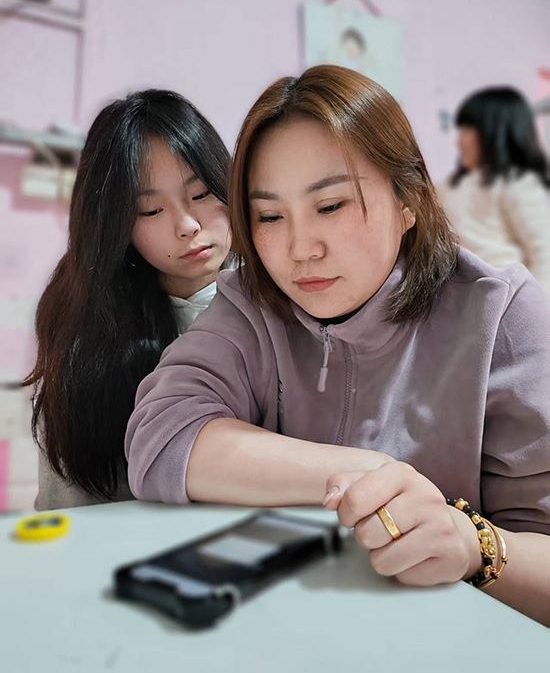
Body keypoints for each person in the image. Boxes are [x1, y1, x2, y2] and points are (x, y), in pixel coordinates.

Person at [126, 67, 550, 626]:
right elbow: (161, 438)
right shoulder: (252, 305)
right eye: (270, 216)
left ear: (408, 200)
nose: (300, 249)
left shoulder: (504, 317)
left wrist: (475, 546)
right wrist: (370, 471)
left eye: (330, 206)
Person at [25, 90, 231, 510]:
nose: (187, 225)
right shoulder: (86, 342)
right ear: (116, 226)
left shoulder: (285, 301)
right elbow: (67, 508)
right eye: (150, 210)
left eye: (201, 193)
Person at [441, 87, 550, 293]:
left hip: (504, 295)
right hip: (460, 296)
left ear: (496, 132)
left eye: (467, 130)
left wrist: (538, 306)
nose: (458, 141)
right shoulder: (452, 186)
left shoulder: (518, 182)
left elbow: (544, 254)